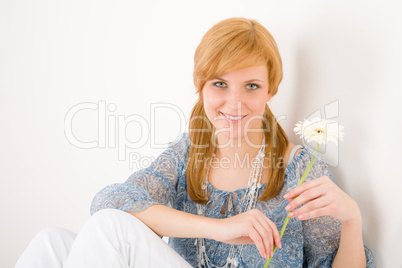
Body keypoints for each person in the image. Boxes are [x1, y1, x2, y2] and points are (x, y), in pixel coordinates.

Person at [15, 17, 375, 268]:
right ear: (201, 87)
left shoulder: (299, 168)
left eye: (251, 86)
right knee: (52, 241)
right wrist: (221, 229)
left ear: (270, 90)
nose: (234, 103)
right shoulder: (190, 152)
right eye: (220, 84)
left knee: (111, 231)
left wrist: (352, 220)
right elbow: (110, 202)